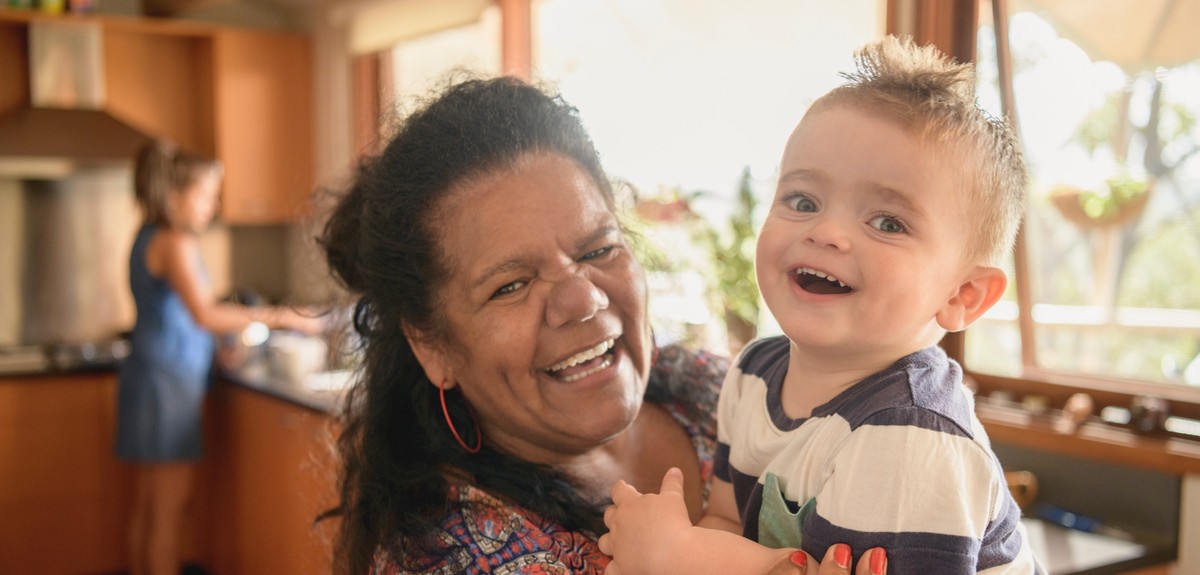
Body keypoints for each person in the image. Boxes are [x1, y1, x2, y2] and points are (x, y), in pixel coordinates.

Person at [316, 75, 883, 575]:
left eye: (596, 250)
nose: (582, 299)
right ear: (432, 343)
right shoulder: (457, 555)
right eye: (510, 285)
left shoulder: (714, 389)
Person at [599, 35, 1042, 575]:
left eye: (887, 222)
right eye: (803, 201)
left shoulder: (912, 432)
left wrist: (677, 554)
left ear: (961, 296)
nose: (827, 231)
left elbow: (715, 552)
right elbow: (726, 523)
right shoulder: (753, 374)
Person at [116, 139, 323, 575]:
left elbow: (178, 315)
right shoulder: (175, 241)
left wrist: (217, 350)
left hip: (149, 375)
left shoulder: (147, 234)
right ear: (175, 196)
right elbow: (203, 312)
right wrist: (284, 315)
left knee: (150, 506)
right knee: (171, 511)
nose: (212, 206)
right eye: (206, 195)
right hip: (167, 385)